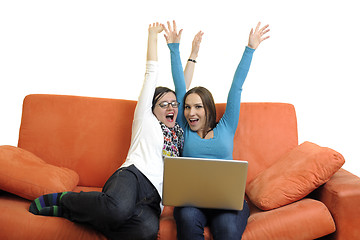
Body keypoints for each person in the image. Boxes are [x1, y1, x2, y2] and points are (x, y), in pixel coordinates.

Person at [28, 22, 184, 240]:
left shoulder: (178, 131)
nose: (171, 107)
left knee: (145, 232)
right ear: (151, 108)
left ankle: (70, 214)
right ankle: (66, 200)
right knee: (117, 209)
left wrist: (190, 53)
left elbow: (184, 90)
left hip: (154, 199)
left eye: (174, 104)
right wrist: (152, 37)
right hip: (133, 176)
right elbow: (151, 73)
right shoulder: (145, 120)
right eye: (164, 104)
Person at [164, 20, 270, 240]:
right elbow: (179, 87)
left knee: (227, 230)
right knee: (185, 218)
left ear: (209, 109)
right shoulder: (184, 127)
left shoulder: (227, 125)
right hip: (192, 203)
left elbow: (236, 86)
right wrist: (175, 49)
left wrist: (250, 49)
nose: (191, 112)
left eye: (198, 107)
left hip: (226, 203)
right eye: (187, 107)